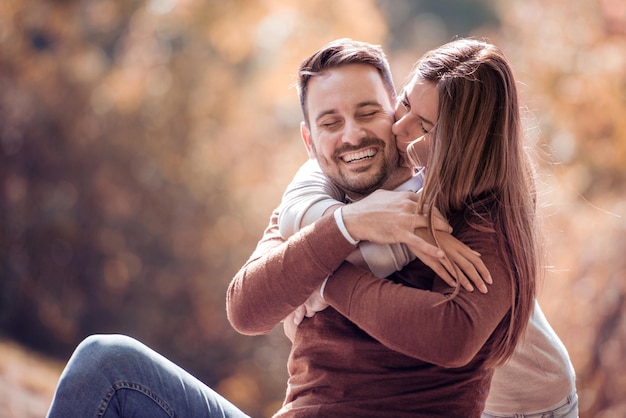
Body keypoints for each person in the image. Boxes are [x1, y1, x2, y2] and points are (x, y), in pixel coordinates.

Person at [227, 37, 542, 417]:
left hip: (534, 400)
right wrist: (348, 225)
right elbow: (245, 309)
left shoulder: (474, 213)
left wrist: (324, 280)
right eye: (330, 122)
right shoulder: (311, 198)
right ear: (309, 141)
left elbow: (453, 334)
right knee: (131, 365)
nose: (353, 136)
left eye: (369, 112)